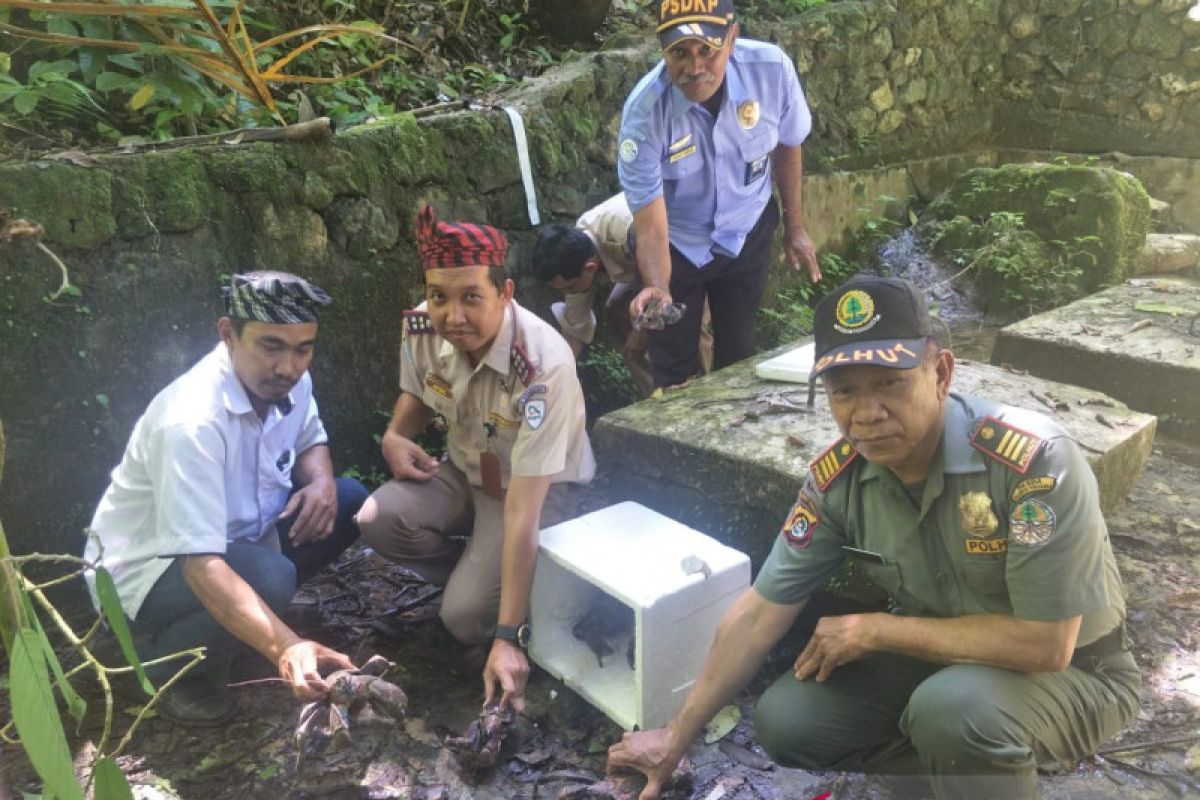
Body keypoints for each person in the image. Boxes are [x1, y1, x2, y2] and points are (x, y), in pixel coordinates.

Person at [607, 276, 1140, 800]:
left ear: (941, 373)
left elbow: (1046, 644)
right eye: (844, 392)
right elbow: (757, 614)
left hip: (1079, 673)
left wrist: (878, 629)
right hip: (943, 664)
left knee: (955, 712)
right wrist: (674, 738)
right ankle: (957, 771)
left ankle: (974, 758)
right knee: (787, 719)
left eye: (890, 383)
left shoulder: (1031, 461)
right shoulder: (839, 481)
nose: (866, 414)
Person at [85, 271, 369, 725]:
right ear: (227, 334)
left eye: (303, 348)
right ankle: (157, 669)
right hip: (148, 570)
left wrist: (319, 481)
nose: (289, 367)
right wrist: (285, 647)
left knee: (350, 500)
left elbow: (311, 438)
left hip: (242, 541)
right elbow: (201, 564)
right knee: (272, 578)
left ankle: (243, 622)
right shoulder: (192, 421)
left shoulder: (291, 380)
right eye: (271, 346)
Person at [356, 205, 595, 713]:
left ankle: (504, 598)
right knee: (377, 517)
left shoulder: (543, 367)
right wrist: (395, 435)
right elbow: (422, 389)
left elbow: (522, 511)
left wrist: (507, 636)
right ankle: (483, 579)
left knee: (465, 621)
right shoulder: (423, 327)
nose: (452, 315)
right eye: (439, 296)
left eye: (471, 297)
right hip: (465, 469)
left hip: (532, 490)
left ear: (505, 294)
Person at [617, 0, 822, 389]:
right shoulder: (644, 115)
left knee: (740, 352)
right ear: (663, 50)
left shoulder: (771, 71)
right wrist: (658, 286)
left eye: (707, 51)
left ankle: (733, 435)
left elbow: (788, 143)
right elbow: (652, 228)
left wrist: (796, 228)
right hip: (677, 244)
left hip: (746, 231)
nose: (694, 68)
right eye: (679, 53)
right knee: (674, 365)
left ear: (732, 39)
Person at [533, 192, 713, 397]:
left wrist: (640, 332)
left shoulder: (621, 228)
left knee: (685, 320)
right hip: (642, 269)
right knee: (616, 308)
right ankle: (659, 394)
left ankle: (701, 391)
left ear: (590, 268)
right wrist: (552, 384)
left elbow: (660, 280)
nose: (568, 294)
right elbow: (575, 332)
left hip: (678, 250)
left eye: (569, 288)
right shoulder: (574, 262)